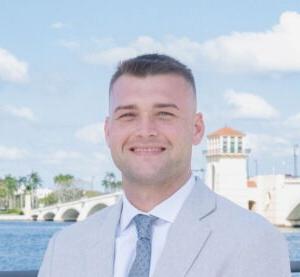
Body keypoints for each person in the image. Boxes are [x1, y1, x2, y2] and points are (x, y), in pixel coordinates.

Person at [38, 54, 291, 277]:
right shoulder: (64, 248)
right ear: (108, 131)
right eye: (128, 115)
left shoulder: (253, 241)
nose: (146, 131)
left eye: (164, 114)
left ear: (196, 128)